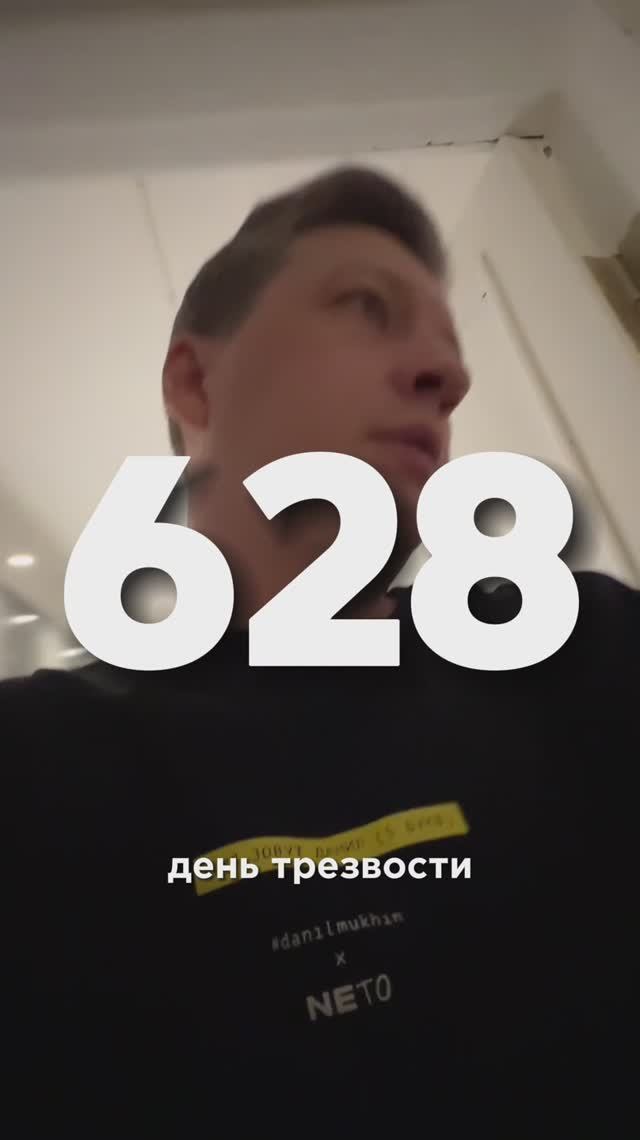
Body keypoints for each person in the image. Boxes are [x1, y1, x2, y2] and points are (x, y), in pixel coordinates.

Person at [3, 166, 636, 1138]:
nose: (448, 377)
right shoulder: (34, 764)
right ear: (197, 381)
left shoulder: (586, 649)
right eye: (367, 308)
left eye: (449, 348)